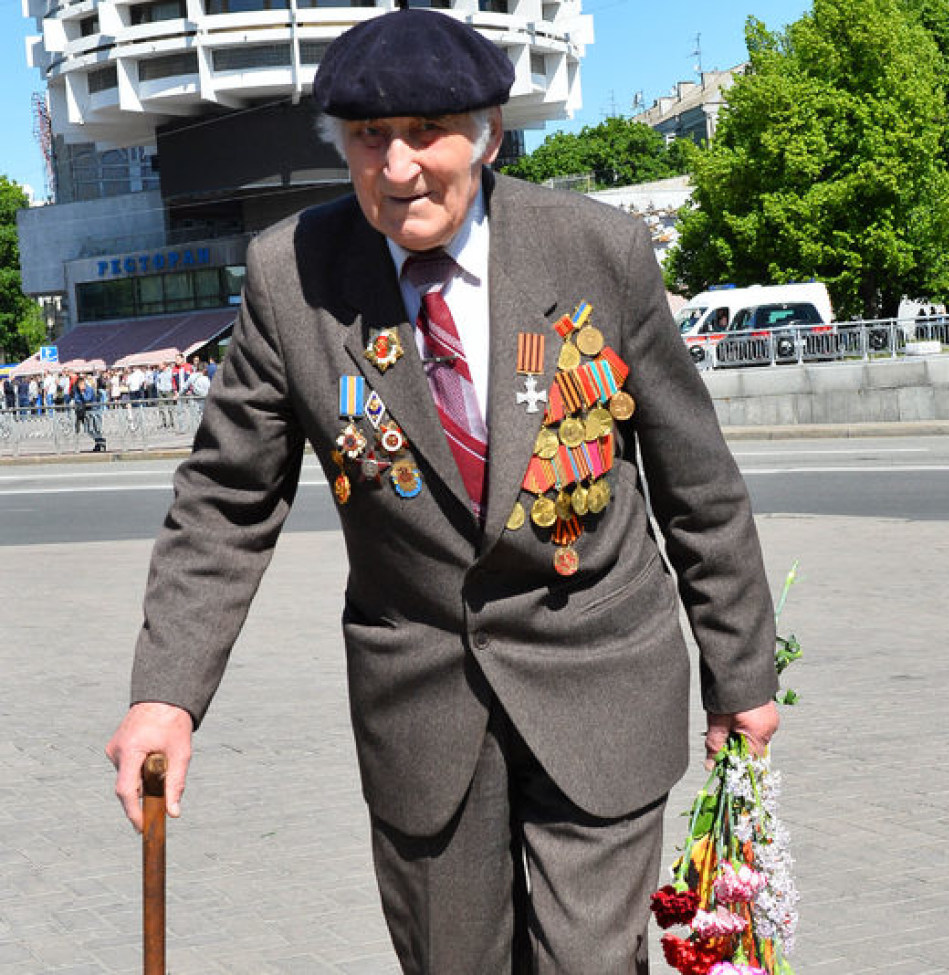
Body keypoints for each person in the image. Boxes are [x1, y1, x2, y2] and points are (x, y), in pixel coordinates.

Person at [104, 10, 779, 975]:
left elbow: (697, 483)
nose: (400, 166)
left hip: (601, 675)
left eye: (428, 133)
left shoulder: (598, 251)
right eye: (371, 139)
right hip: (422, 709)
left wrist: (740, 674)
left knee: (591, 963)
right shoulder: (291, 278)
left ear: (490, 134)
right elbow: (224, 502)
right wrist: (166, 696)